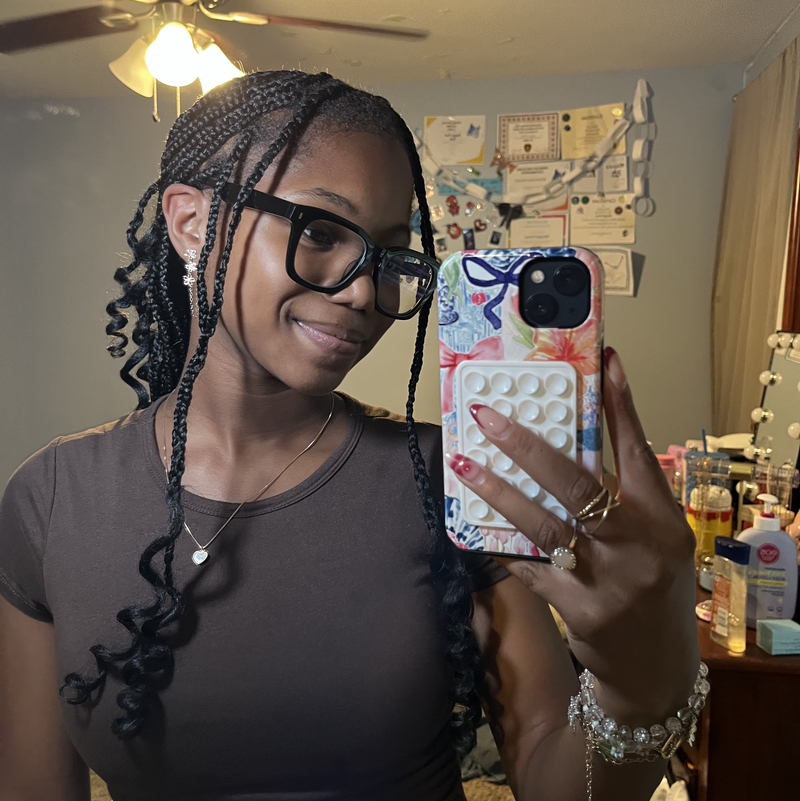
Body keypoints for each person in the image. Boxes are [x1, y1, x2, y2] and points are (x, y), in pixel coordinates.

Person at [0, 71, 700, 801]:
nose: (365, 291)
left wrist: (642, 686)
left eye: (390, 257)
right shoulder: (50, 500)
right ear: (192, 223)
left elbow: (560, 785)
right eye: (321, 232)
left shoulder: (455, 481)